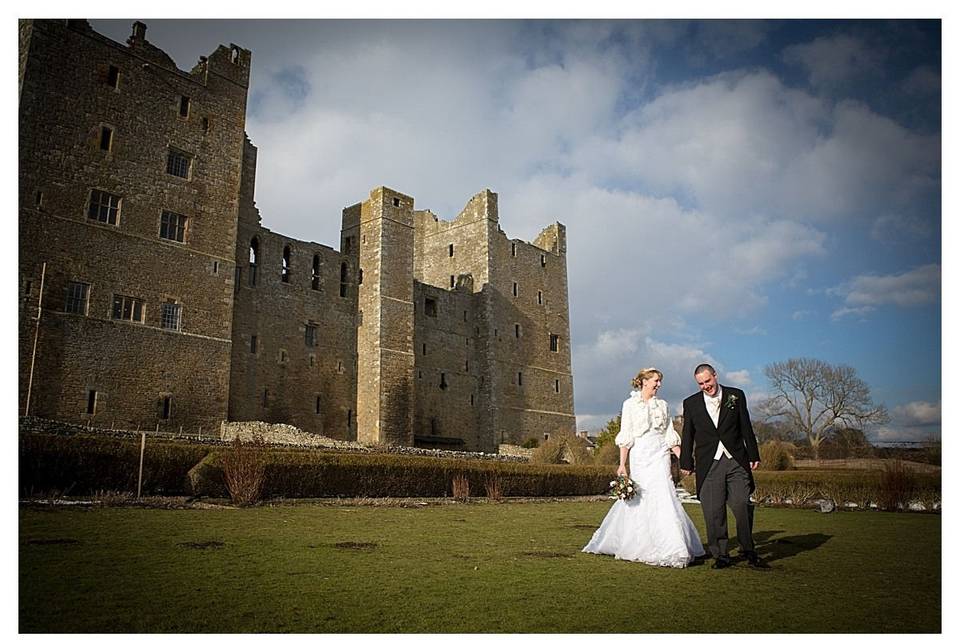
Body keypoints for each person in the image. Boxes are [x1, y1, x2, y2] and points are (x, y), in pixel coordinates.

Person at [582, 368, 705, 567]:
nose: (659, 385)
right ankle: (638, 543)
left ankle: (674, 547)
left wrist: (683, 459)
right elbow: (626, 436)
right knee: (640, 498)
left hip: (660, 455)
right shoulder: (629, 405)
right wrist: (622, 464)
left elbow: (669, 434)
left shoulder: (663, 405)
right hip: (640, 456)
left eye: (660, 381)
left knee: (664, 495)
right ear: (644, 381)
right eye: (656, 381)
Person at [679, 363, 764, 569]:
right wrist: (686, 462)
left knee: (741, 503)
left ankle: (748, 549)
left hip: (736, 459)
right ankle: (721, 555)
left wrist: (753, 453)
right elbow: (688, 434)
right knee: (713, 510)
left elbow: (746, 426)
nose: (705, 386)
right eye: (700, 384)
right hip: (709, 463)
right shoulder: (691, 403)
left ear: (715, 376)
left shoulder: (736, 396)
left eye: (708, 381)